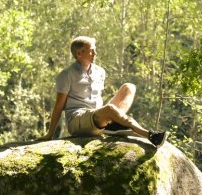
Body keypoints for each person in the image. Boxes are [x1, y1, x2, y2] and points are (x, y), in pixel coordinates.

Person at [38, 36, 168, 147]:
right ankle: (149, 135)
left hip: (98, 115)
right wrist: (50, 134)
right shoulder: (66, 75)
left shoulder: (100, 72)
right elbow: (59, 106)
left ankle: (112, 126)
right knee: (110, 109)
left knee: (129, 87)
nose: (95, 53)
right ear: (79, 54)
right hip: (77, 119)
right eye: (92, 51)